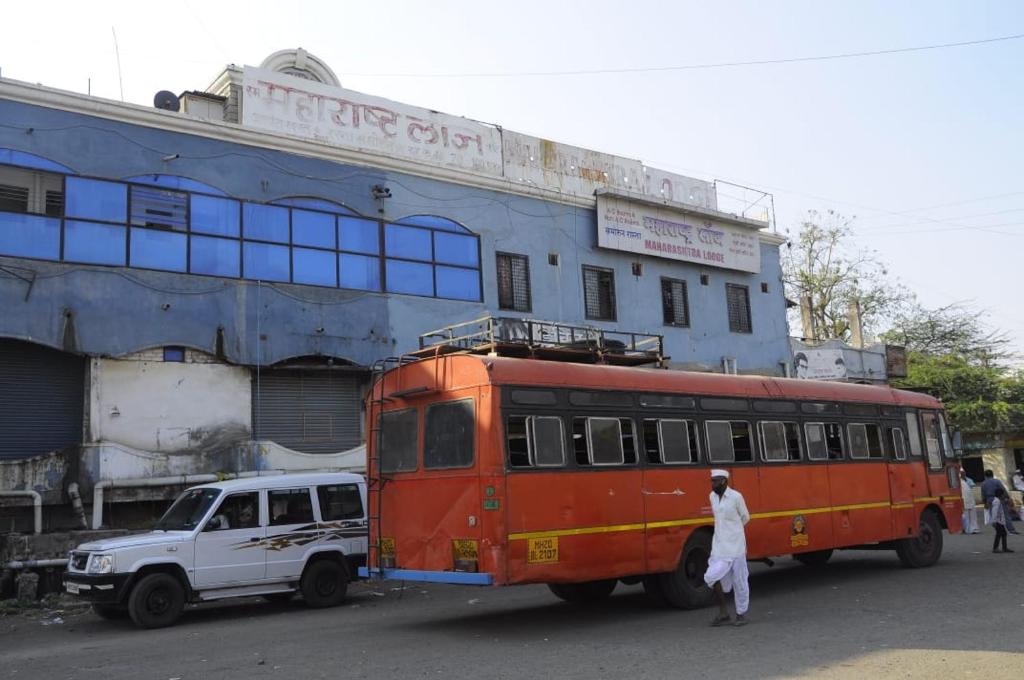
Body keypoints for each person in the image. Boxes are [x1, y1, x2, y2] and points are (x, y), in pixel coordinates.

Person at [704, 469, 751, 627]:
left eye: (715, 481)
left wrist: (734, 532)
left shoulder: (736, 497)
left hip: (736, 547)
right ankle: (723, 612)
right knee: (711, 576)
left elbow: (745, 517)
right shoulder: (712, 497)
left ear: (724, 481)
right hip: (719, 547)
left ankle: (741, 614)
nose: (712, 484)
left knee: (740, 581)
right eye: (712, 481)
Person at [991, 488, 1014, 553]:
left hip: (999, 520)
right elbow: (994, 511)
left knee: (1002, 534)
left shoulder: (997, 501)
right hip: (998, 521)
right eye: (1003, 495)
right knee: (1000, 534)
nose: (1003, 496)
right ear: (1000, 495)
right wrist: (994, 521)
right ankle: (997, 548)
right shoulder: (997, 501)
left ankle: (1003, 548)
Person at [959, 469, 980, 534]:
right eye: (961, 473)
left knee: (973, 516)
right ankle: (966, 529)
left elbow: (972, 485)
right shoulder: (958, 481)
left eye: (964, 473)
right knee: (964, 516)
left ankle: (974, 529)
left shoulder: (968, 480)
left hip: (970, 499)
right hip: (963, 500)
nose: (963, 474)